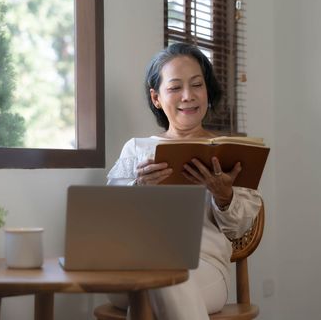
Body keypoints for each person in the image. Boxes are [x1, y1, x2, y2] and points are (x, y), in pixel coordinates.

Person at [106, 43, 262, 320]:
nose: (188, 96)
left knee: (156, 294)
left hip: (204, 269)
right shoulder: (136, 149)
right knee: (153, 282)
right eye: (175, 87)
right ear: (156, 98)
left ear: (207, 91)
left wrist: (224, 196)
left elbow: (240, 230)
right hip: (135, 265)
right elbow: (109, 222)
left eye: (197, 85)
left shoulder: (228, 151)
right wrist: (139, 188)